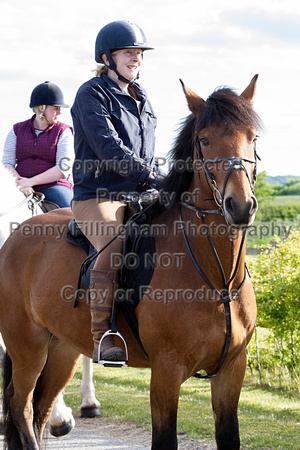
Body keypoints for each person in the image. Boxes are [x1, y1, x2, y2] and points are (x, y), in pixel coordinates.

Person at [71, 20, 164, 363]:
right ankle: (104, 337)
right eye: (129, 53)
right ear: (107, 58)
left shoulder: (143, 99)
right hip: (97, 195)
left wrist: (172, 183)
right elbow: (109, 149)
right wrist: (154, 178)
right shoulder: (91, 93)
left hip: (139, 194)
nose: (136, 59)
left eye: (139, 54)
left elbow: (148, 156)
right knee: (114, 245)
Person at [2, 81, 74, 207]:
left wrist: (30, 182)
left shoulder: (64, 131)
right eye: (56, 108)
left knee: (73, 217)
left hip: (53, 186)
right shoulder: (16, 130)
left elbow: (63, 168)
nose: (60, 112)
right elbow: (7, 162)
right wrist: (19, 182)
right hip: (19, 185)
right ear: (42, 108)